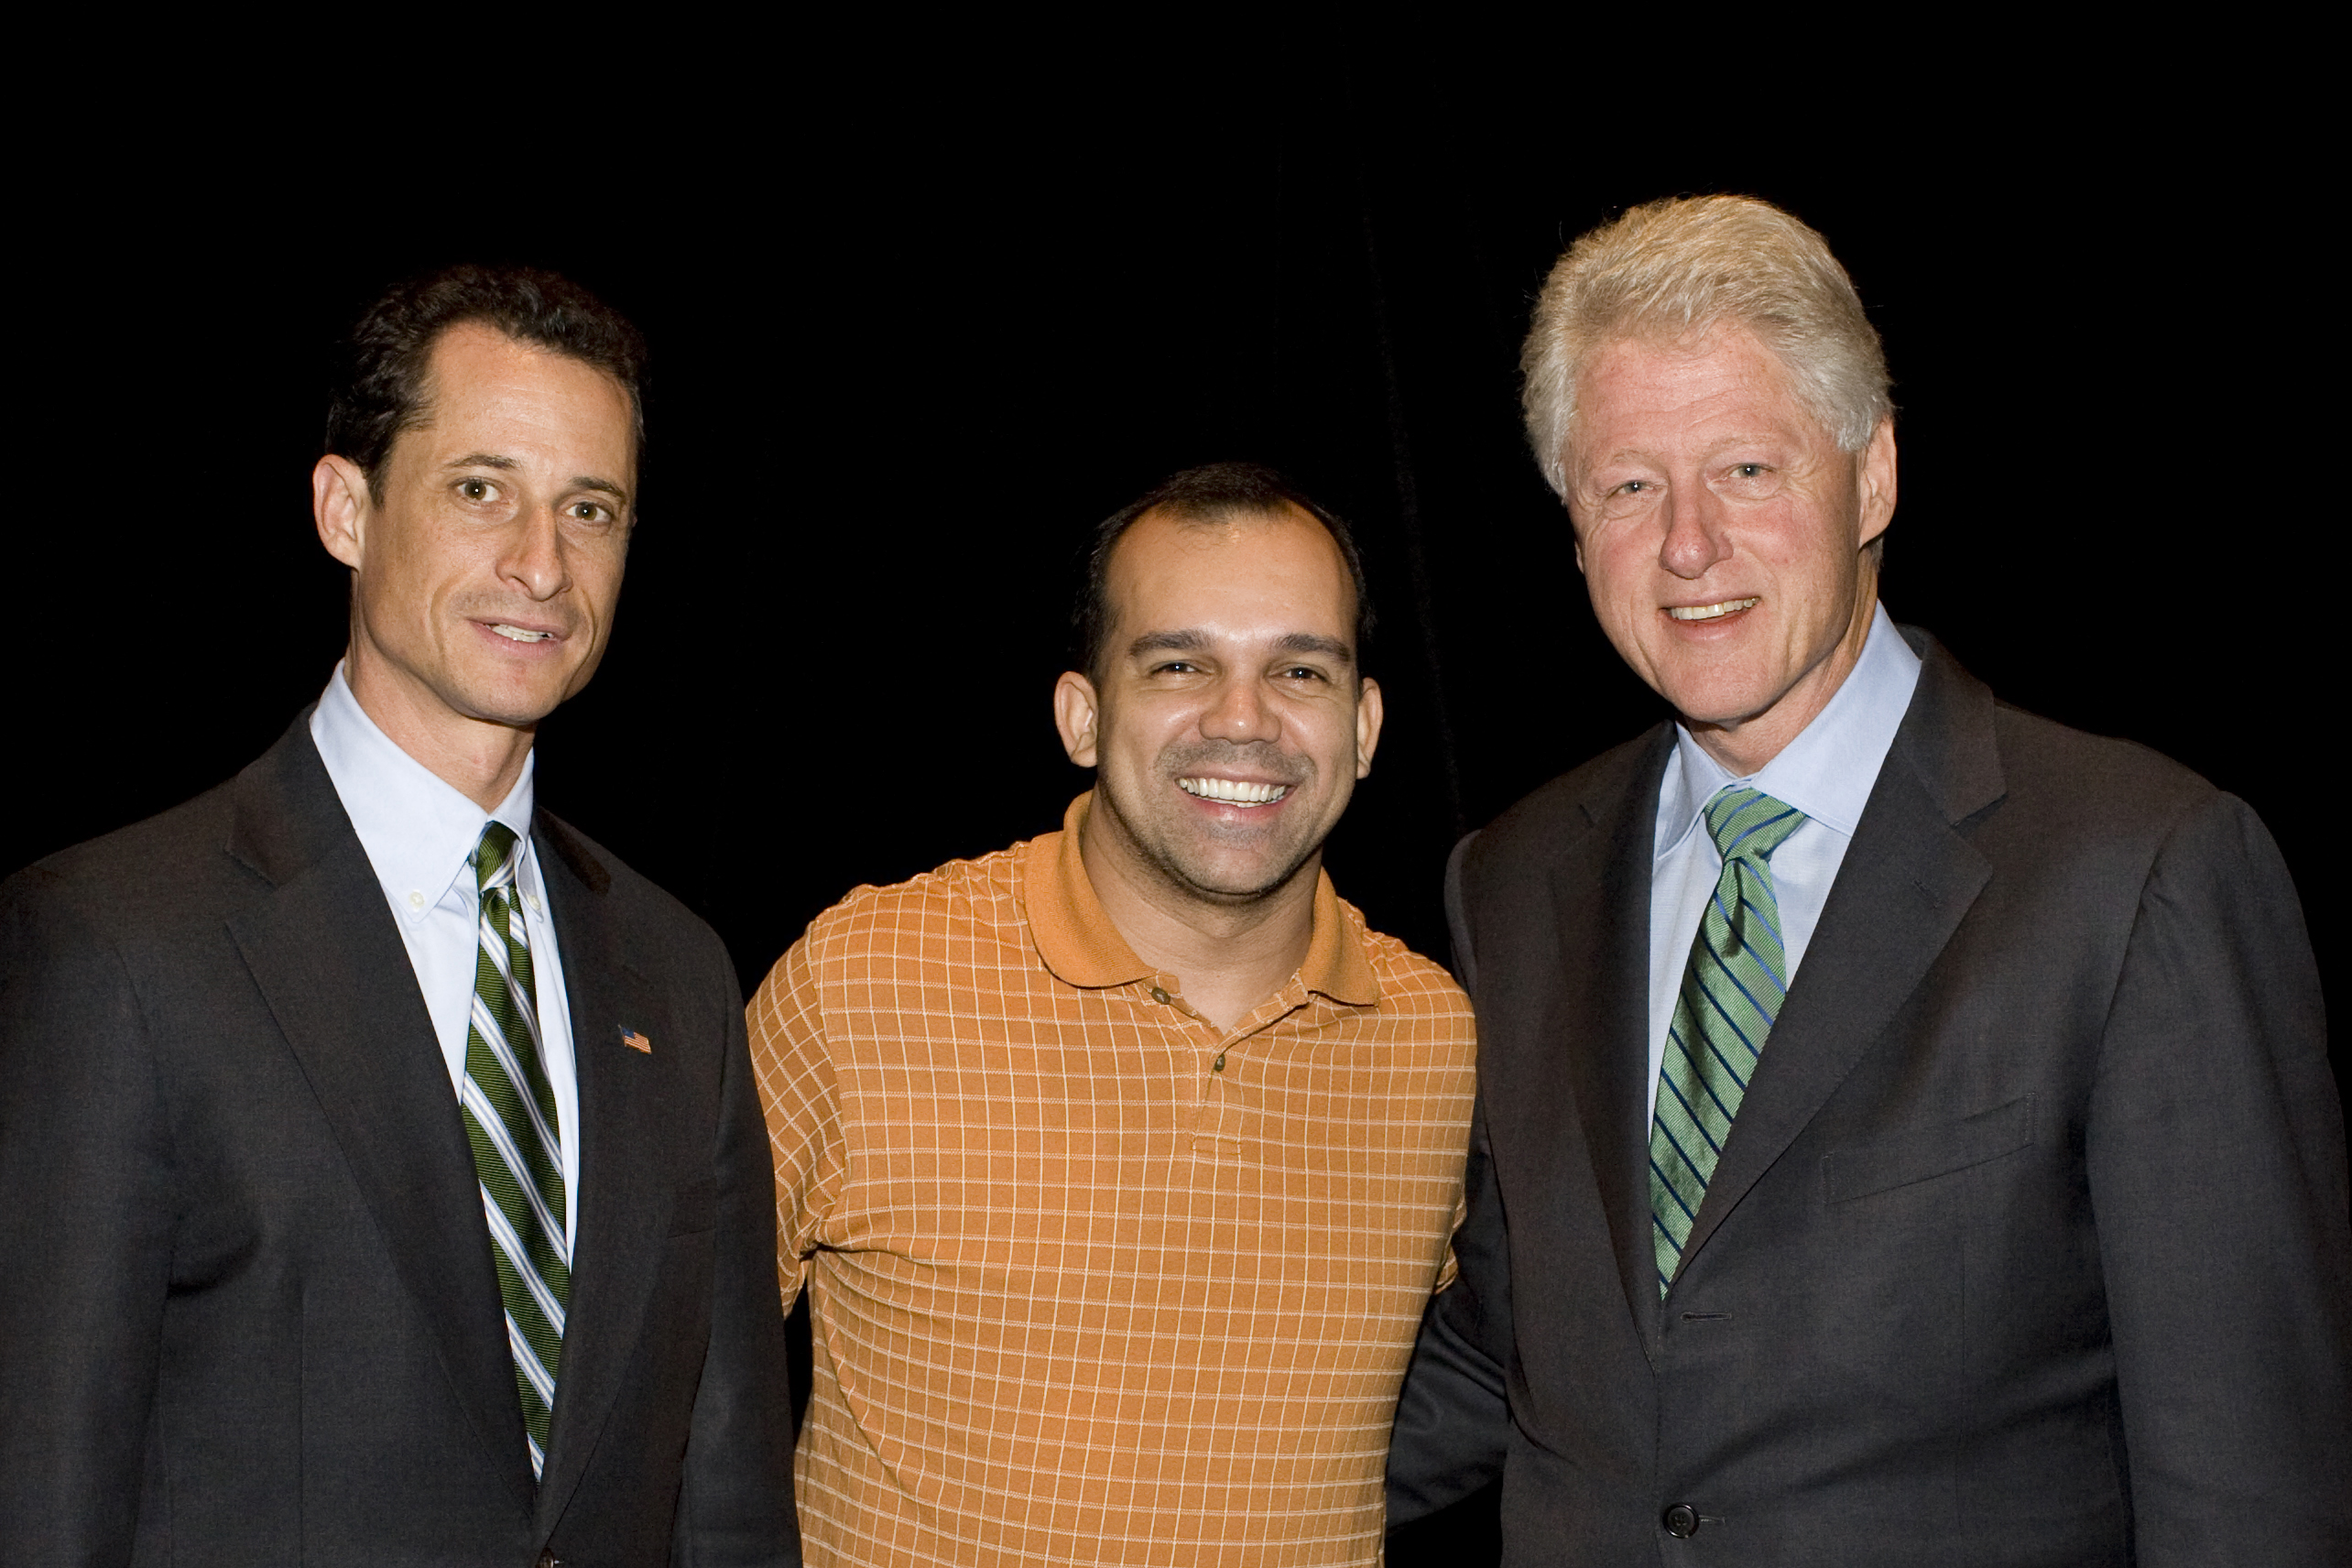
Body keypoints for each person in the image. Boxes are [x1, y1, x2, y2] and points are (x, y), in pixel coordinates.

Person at [1384, 196, 2351, 1565]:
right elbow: (1514, 1352)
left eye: (1748, 471)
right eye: (1628, 486)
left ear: (1875, 475)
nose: (1688, 546)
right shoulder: (1513, 881)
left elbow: (2246, 1492)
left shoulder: (2140, 872)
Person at [0, 267, 799, 1564]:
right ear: (345, 510)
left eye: (588, 509)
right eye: (481, 489)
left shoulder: (678, 971)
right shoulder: (114, 942)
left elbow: (725, 1491)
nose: (541, 564)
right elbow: (44, 1483)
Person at [747, 463, 1477, 1564]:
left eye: (1301, 669)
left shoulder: (1437, 1043)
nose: (1245, 718)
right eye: (1181, 663)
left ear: (1365, 726)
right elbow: (652, 1391)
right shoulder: (863, 981)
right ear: (1083, 715)